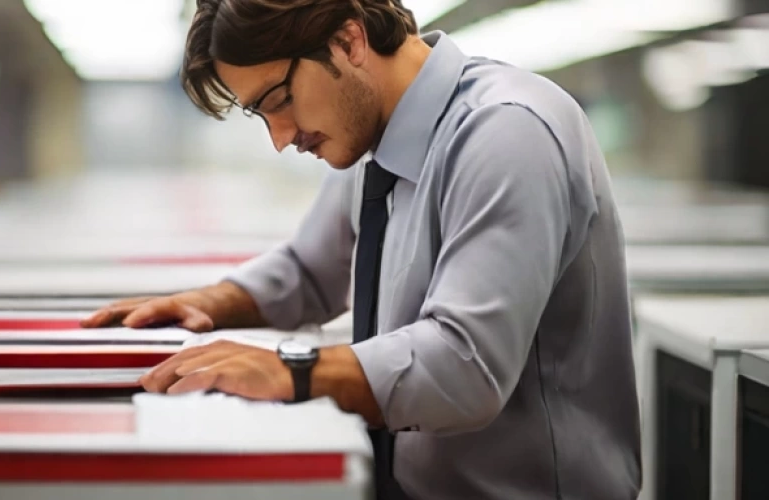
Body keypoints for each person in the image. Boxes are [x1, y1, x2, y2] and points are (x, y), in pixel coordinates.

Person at [81, 0, 642, 498]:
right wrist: (209, 302)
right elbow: (309, 271)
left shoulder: (505, 133)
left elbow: (466, 363)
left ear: (348, 40)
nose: (279, 137)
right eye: (260, 113)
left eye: (279, 99)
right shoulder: (378, 141)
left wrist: (292, 371)